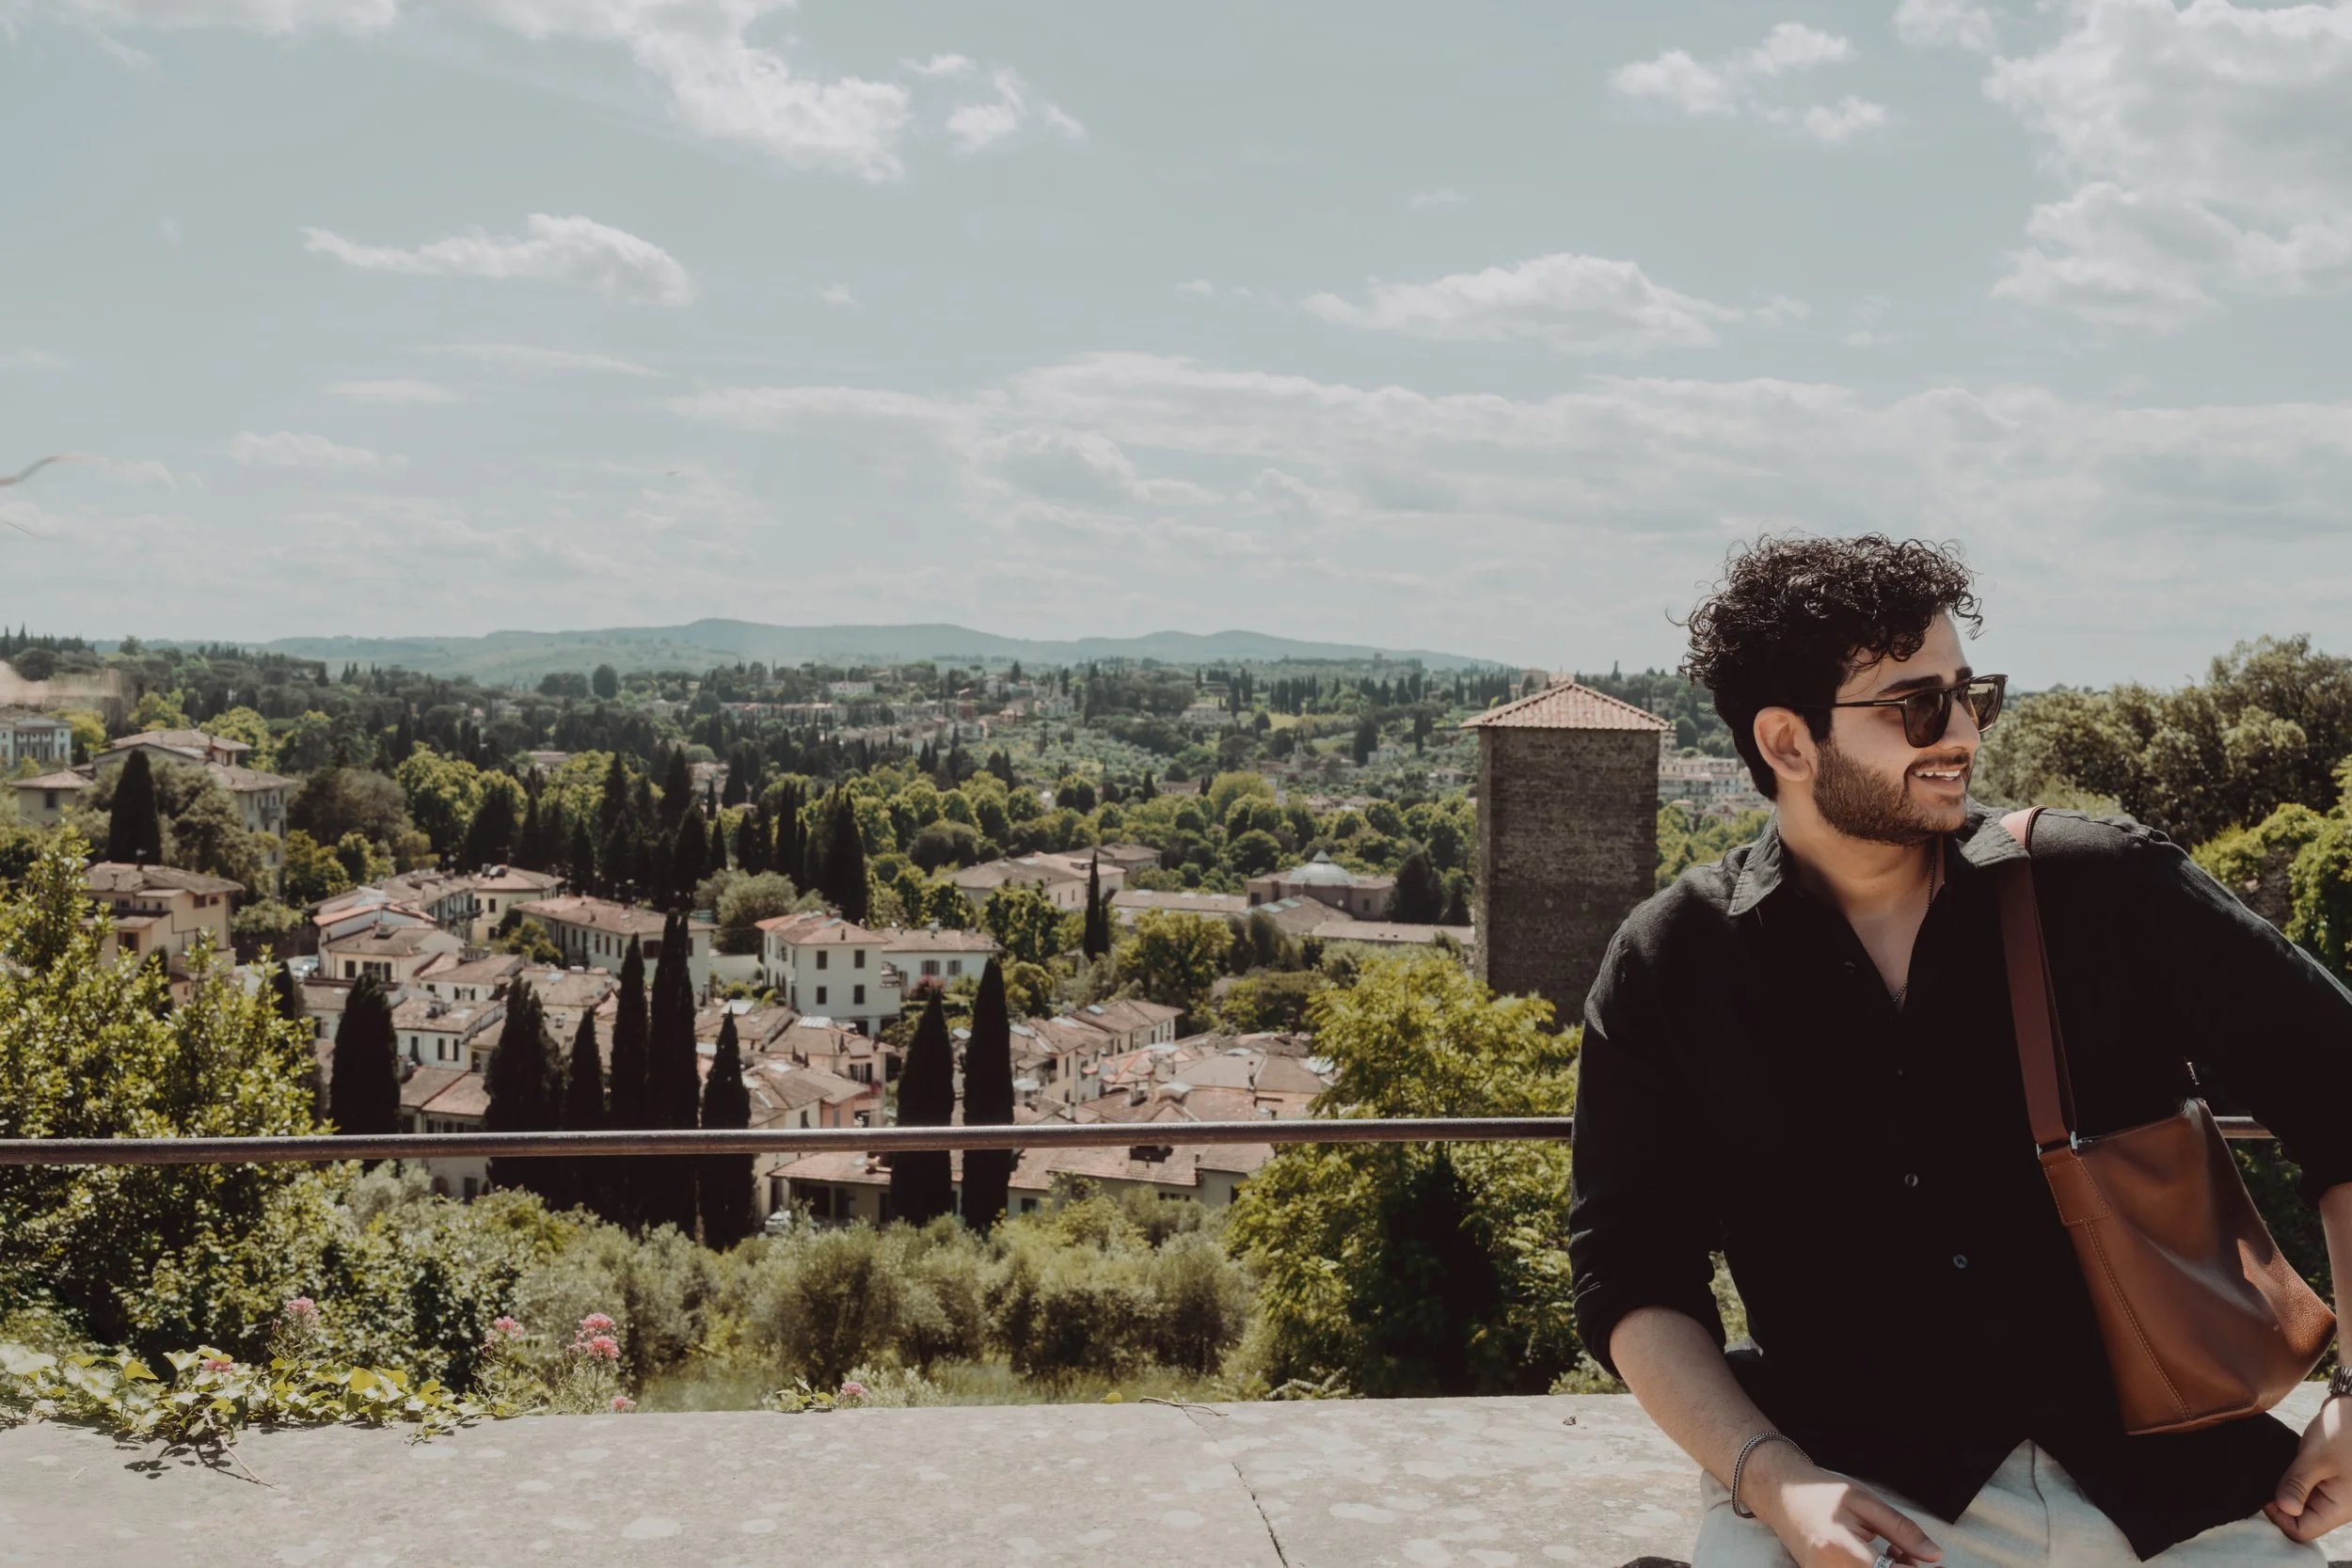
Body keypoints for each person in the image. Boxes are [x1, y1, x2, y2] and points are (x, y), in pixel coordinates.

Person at [1568, 534, 2352, 1567]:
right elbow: (1631, 1276)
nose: (1963, 733)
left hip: (2181, 1496)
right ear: (1787, 741)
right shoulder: (1673, 963)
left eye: (1970, 693)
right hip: (1855, 1495)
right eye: (1916, 705)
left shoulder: (2101, 886)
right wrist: (1772, 1477)